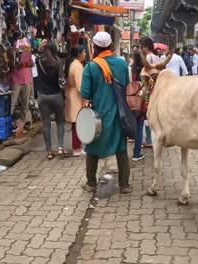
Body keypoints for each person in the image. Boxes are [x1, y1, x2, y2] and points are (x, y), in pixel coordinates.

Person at [80, 31, 131, 194]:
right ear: (110, 46)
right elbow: (126, 83)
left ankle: (91, 184)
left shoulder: (90, 66)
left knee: (92, 148)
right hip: (118, 115)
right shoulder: (122, 64)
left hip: (98, 116)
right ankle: (124, 185)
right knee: (121, 148)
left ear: (94, 47)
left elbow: (85, 93)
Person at [36, 41, 66, 160]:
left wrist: (42, 46)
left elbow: (38, 52)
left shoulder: (38, 61)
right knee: (60, 122)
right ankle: (60, 147)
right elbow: (61, 82)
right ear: (55, 50)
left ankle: (49, 151)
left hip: (42, 96)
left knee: (46, 124)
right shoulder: (58, 63)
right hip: (56, 95)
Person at [65, 45, 87, 156]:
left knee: (76, 123)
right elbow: (80, 86)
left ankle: (77, 146)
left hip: (71, 95)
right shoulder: (78, 66)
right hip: (76, 97)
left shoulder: (72, 63)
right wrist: (87, 97)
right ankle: (77, 148)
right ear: (78, 54)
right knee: (78, 123)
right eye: (84, 52)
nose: (85, 54)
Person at [138, 37, 158, 149]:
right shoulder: (156, 57)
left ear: (146, 46)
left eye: (142, 47)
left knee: (146, 112)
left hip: (148, 87)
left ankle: (149, 139)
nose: (141, 49)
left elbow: (147, 74)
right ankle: (152, 138)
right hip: (155, 87)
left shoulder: (149, 57)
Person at [10, 38, 34, 130]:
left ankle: (27, 123)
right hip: (16, 80)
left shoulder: (28, 53)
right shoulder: (14, 53)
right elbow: (11, 64)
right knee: (12, 102)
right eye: (20, 45)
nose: (22, 47)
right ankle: (9, 122)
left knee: (25, 104)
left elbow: (31, 63)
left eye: (23, 45)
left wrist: (27, 63)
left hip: (26, 80)